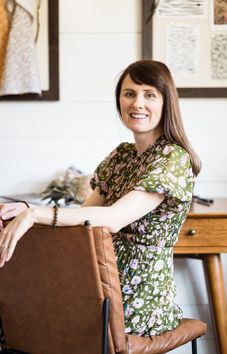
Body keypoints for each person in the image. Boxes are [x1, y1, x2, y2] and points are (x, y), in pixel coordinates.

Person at [0, 60, 201, 350]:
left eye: (149, 94)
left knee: (46, 316)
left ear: (166, 102)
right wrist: (24, 211)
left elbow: (113, 218)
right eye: (129, 93)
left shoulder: (173, 159)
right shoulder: (121, 156)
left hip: (141, 299)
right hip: (95, 286)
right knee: (19, 313)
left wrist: (35, 214)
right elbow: (83, 220)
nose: (137, 103)